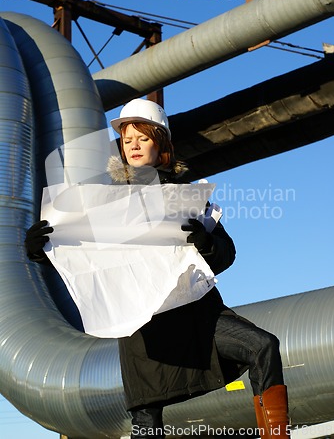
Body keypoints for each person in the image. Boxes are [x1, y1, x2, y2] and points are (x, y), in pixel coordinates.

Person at [25, 98, 290, 439]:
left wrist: (207, 243)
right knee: (147, 421)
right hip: (144, 325)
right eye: (127, 139)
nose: (133, 145)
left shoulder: (187, 196)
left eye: (143, 137)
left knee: (263, 345)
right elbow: (82, 255)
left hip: (198, 316)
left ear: (160, 143)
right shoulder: (102, 199)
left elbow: (226, 255)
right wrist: (41, 249)